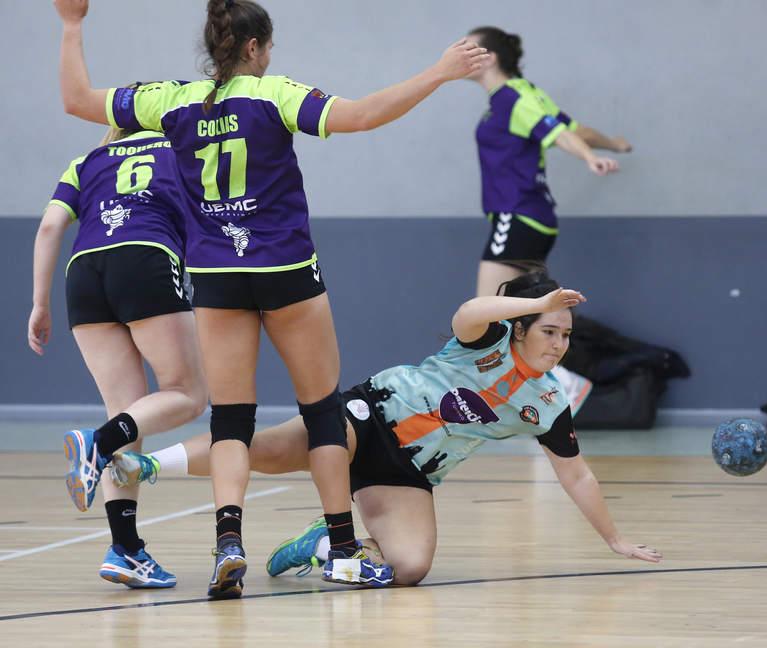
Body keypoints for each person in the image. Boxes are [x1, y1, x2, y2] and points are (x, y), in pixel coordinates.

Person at [53, 0, 490, 597]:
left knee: (231, 419)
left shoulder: (170, 99)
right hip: (284, 270)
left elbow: (77, 100)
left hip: (215, 277)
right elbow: (361, 116)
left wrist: (72, 26)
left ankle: (228, 546)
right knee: (322, 413)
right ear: (256, 48)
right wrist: (438, 72)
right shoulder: (275, 93)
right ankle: (341, 548)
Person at [111, 270, 662, 586]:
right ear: (518, 327)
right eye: (548, 329)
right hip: (370, 417)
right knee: (275, 449)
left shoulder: (547, 401)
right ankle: (147, 464)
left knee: (410, 568)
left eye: (566, 336)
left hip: (407, 473)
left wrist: (614, 539)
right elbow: (473, 307)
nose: (559, 343)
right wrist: (539, 299)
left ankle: (324, 543)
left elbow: (577, 477)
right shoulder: (484, 338)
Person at [28, 117, 208, 588]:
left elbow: (49, 228)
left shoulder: (86, 161)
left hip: (83, 272)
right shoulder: (182, 150)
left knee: (126, 412)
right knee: (187, 395)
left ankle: (125, 550)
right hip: (145, 257)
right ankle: (98, 444)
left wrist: (40, 304)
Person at [465, 26, 633, 297]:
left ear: (490, 58)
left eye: (468, 48)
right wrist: (615, 143)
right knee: (524, 318)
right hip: (536, 219)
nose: (459, 54)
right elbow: (580, 132)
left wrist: (591, 158)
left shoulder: (511, 99)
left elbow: (562, 135)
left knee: (485, 316)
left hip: (516, 214)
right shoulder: (527, 92)